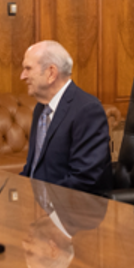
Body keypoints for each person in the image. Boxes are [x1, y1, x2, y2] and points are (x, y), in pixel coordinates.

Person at [19, 41, 112, 195]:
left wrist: (44, 206)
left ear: (51, 73)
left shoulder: (87, 110)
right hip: (39, 207)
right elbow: (33, 169)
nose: (23, 76)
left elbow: (85, 179)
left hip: (73, 211)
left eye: (28, 69)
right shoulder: (40, 108)